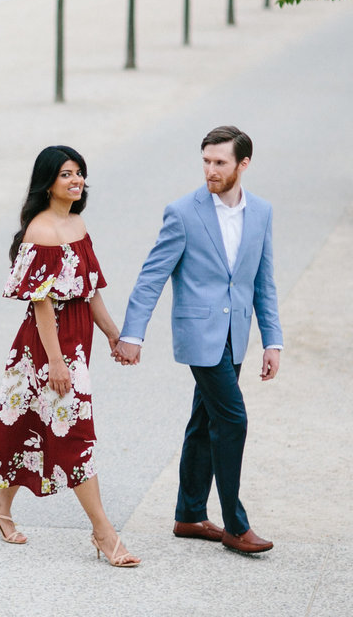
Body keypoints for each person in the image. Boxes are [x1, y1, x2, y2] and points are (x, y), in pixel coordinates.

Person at [114, 126, 282, 555]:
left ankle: (189, 514)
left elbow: (264, 281)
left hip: (236, 333)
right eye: (206, 161)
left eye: (220, 162)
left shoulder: (260, 212)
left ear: (242, 165)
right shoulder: (183, 212)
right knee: (233, 421)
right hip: (198, 334)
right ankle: (236, 525)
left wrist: (272, 341)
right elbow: (152, 275)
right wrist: (132, 334)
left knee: (205, 421)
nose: (210, 169)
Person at [0, 145, 140, 568]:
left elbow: (90, 290)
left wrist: (113, 336)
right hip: (48, 345)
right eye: (66, 174)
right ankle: (104, 534)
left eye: (80, 173)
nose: (76, 180)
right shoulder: (43, 231)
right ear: (47, 181)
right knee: (73, 434)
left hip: (76, 339)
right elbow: (42, 305)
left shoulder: (76, 223)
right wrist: (55, 361)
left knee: (32, 421)